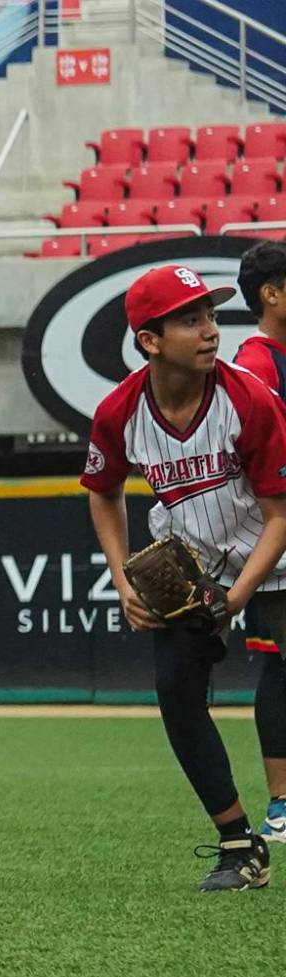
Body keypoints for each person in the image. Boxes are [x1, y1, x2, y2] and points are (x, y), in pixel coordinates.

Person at [82, 263, 286, 891]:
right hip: (193, 566)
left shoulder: (248, 398)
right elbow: (103, 491)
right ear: (150, 340)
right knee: (176, 691)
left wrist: (237, 598)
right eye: (190, 320)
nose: (210, 330)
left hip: (276, 555)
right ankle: (239, 845)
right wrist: (123, 580)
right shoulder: (120, 411)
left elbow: (280, 515)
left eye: (211, 315)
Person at [231, 241, 286, 844]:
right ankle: (281, 806)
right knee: (278, 663)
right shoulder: (256, 363)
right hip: (277, 537)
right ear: (271, 294)